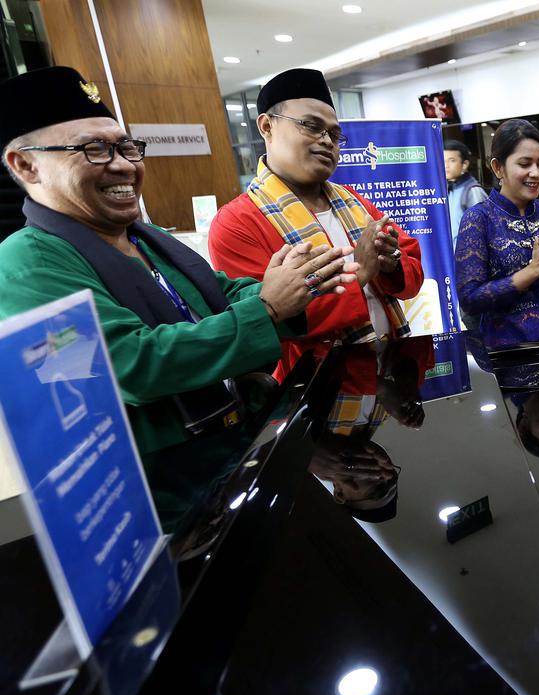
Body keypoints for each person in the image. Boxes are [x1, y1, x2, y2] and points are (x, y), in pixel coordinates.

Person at [0, 66, 356, 463]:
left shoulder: (145, 236)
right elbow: (125, 365)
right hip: (160, 483)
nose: (123, 166)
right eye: (94, 150)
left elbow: (216, 294)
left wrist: (297, 282)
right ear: (25, 165)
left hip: (230, 449)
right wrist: (267, 307)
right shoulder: (23, 264)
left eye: (127, 147)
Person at [209, 68, 424, 381]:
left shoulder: (353, 200)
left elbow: (412, 265)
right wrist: (362, 272)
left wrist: (390, 264)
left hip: (387, 376)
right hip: (312, 391)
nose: (327, 142)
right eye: (311, 126)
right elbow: (267, 320)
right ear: (267, 126)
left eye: (334, 135)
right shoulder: (236, 223)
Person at [454, 119, 539, 347]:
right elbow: (470, 300)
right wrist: (533, 271)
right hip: (512, 348)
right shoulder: (479, 219)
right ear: (498, 167)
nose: (535, 173)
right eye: (525, 164)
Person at [444, 139, 487, 243]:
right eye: (443, 160)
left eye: (452, 160)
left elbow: (481, 230)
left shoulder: (472, 191)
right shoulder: (448, 188)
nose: (446, 165)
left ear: (464, 164)